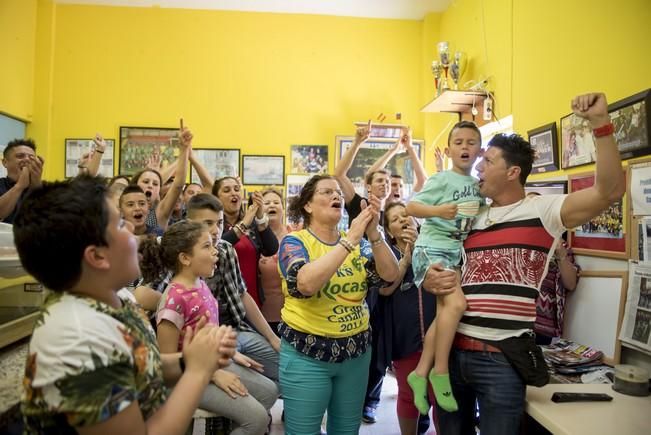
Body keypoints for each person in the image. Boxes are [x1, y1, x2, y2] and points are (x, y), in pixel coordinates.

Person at [422, 93, 625, 435]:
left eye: (487, 160)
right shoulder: (470, 214)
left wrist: (600, 124)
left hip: (502, 360)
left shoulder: (542, 212)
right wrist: (430, 277)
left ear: (513, 171)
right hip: (451, 353)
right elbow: (435, 253)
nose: (478, 167)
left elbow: (608, 192)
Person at [14, 175, 237, 434]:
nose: (131, 228)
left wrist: (189, 360)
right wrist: (198, 372)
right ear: (97, 256)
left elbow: (141, 366)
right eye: (120, 224)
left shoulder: (117, 295)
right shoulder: (79, 339)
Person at [277, 174, 399, 435]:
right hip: (307, 356)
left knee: (346, 430)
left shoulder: (359, 243)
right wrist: (349, 240)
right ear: (307, 205)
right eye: (327, 192)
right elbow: (306, 284)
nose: (337, 196)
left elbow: (390, 274)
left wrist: (374, 233)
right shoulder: (295, 242)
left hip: (355, 354)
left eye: (339, 194)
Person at [141, 220, 278, 435]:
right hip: (186, 376)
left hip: (212, 363)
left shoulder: (200, 282)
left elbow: (208, 330)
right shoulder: (174, 300)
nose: (216, 252)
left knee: (270, 391)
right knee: (257, 419)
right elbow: (167, 361)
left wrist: (230, 353)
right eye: (207, 246)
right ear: (185, 258)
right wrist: (213, 374)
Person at [405, 120, 484, 413]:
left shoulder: (478, 186)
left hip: (455, 252)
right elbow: (412, 207)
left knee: (444, 316)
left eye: (471, 142)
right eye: (459, 142)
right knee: (457, 304)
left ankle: (420, 373)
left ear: (480, 150)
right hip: (432, 248)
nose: (465, 147)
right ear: (449, 149)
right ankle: (440, 371)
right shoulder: (441, 179)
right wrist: (438, 210)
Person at [378, 202, 438, 435]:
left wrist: (420, 245)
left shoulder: (433, 245)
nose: (402, 220)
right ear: (389, 232)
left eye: (406, 215)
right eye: (395, 219)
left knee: (438, 395)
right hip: (404, 339)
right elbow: (385, 290)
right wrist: (405, 260)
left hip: (439, 338)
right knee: (408, 393)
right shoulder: (386, 255)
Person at [212, 177, 279, 308]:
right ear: (216, 198)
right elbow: (217, 248)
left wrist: (259, 217)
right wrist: (243, 225)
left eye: (237, 189)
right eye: (226, 190)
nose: (233, 193)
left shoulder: (251, 223)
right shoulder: (213, 224)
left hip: (253, 298)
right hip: (224, 301)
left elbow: (271, 249)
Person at [130, 120, 191, 231]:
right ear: (135, 185)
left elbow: (178, 185)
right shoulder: (124, 208)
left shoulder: (160, 211)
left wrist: (183, 149)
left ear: (159, 190)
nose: (150, 186)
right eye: (145, 182)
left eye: (155, 184)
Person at [366, 128, 428, 204]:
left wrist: (410, 147)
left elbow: (422, 181)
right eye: (393, 185)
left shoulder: (406, 207)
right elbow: (370, 175)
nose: (398, 188)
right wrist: (394, 150)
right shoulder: (374, 204)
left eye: (401, 186)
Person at [259, 189, 290, 334]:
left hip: (291, 316)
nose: (272, 205)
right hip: (261, 317)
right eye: (267, 203)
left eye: (276, 202)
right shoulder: (252, 240)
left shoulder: (295, 235)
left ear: (283, 209)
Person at [0, 138, 44, 223]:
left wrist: (36, 185)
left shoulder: (43, 188)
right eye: (20, 156)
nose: (27, 159)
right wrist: (20, 186)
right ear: (5, 162)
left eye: (31, 157)